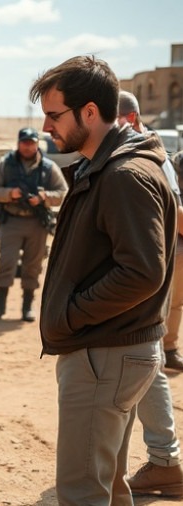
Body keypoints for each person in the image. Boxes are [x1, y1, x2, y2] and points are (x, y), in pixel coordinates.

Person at [31, 55, 176, 505]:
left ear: (89, 112)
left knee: (82, 493)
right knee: (107, 488)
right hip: (110, 351)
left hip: (104, 353)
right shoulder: (111, 164)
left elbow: (142, 271)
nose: (46, 127)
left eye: (55, 115)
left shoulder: (124, 174)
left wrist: (73, 315)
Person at [115, 90, 183, 496]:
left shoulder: (148, 158)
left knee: (144, 359)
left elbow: (171, 217)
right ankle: (164, 460)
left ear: (130, 120)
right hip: (145, 270)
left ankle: (164, 460)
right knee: (148, 362)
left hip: (142, 273)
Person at [0, 127, 68, 322]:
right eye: (24, 142)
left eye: (32, 142)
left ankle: (27, 306)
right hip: (11, 220)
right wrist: (9, 194)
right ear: (18, 143)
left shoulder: (48, 167)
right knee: (6, 263)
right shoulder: (5, 164)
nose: (28, 146)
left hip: (36, 223)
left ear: (38, 144)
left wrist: (44, 197)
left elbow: (63, 192)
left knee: (33, 265)